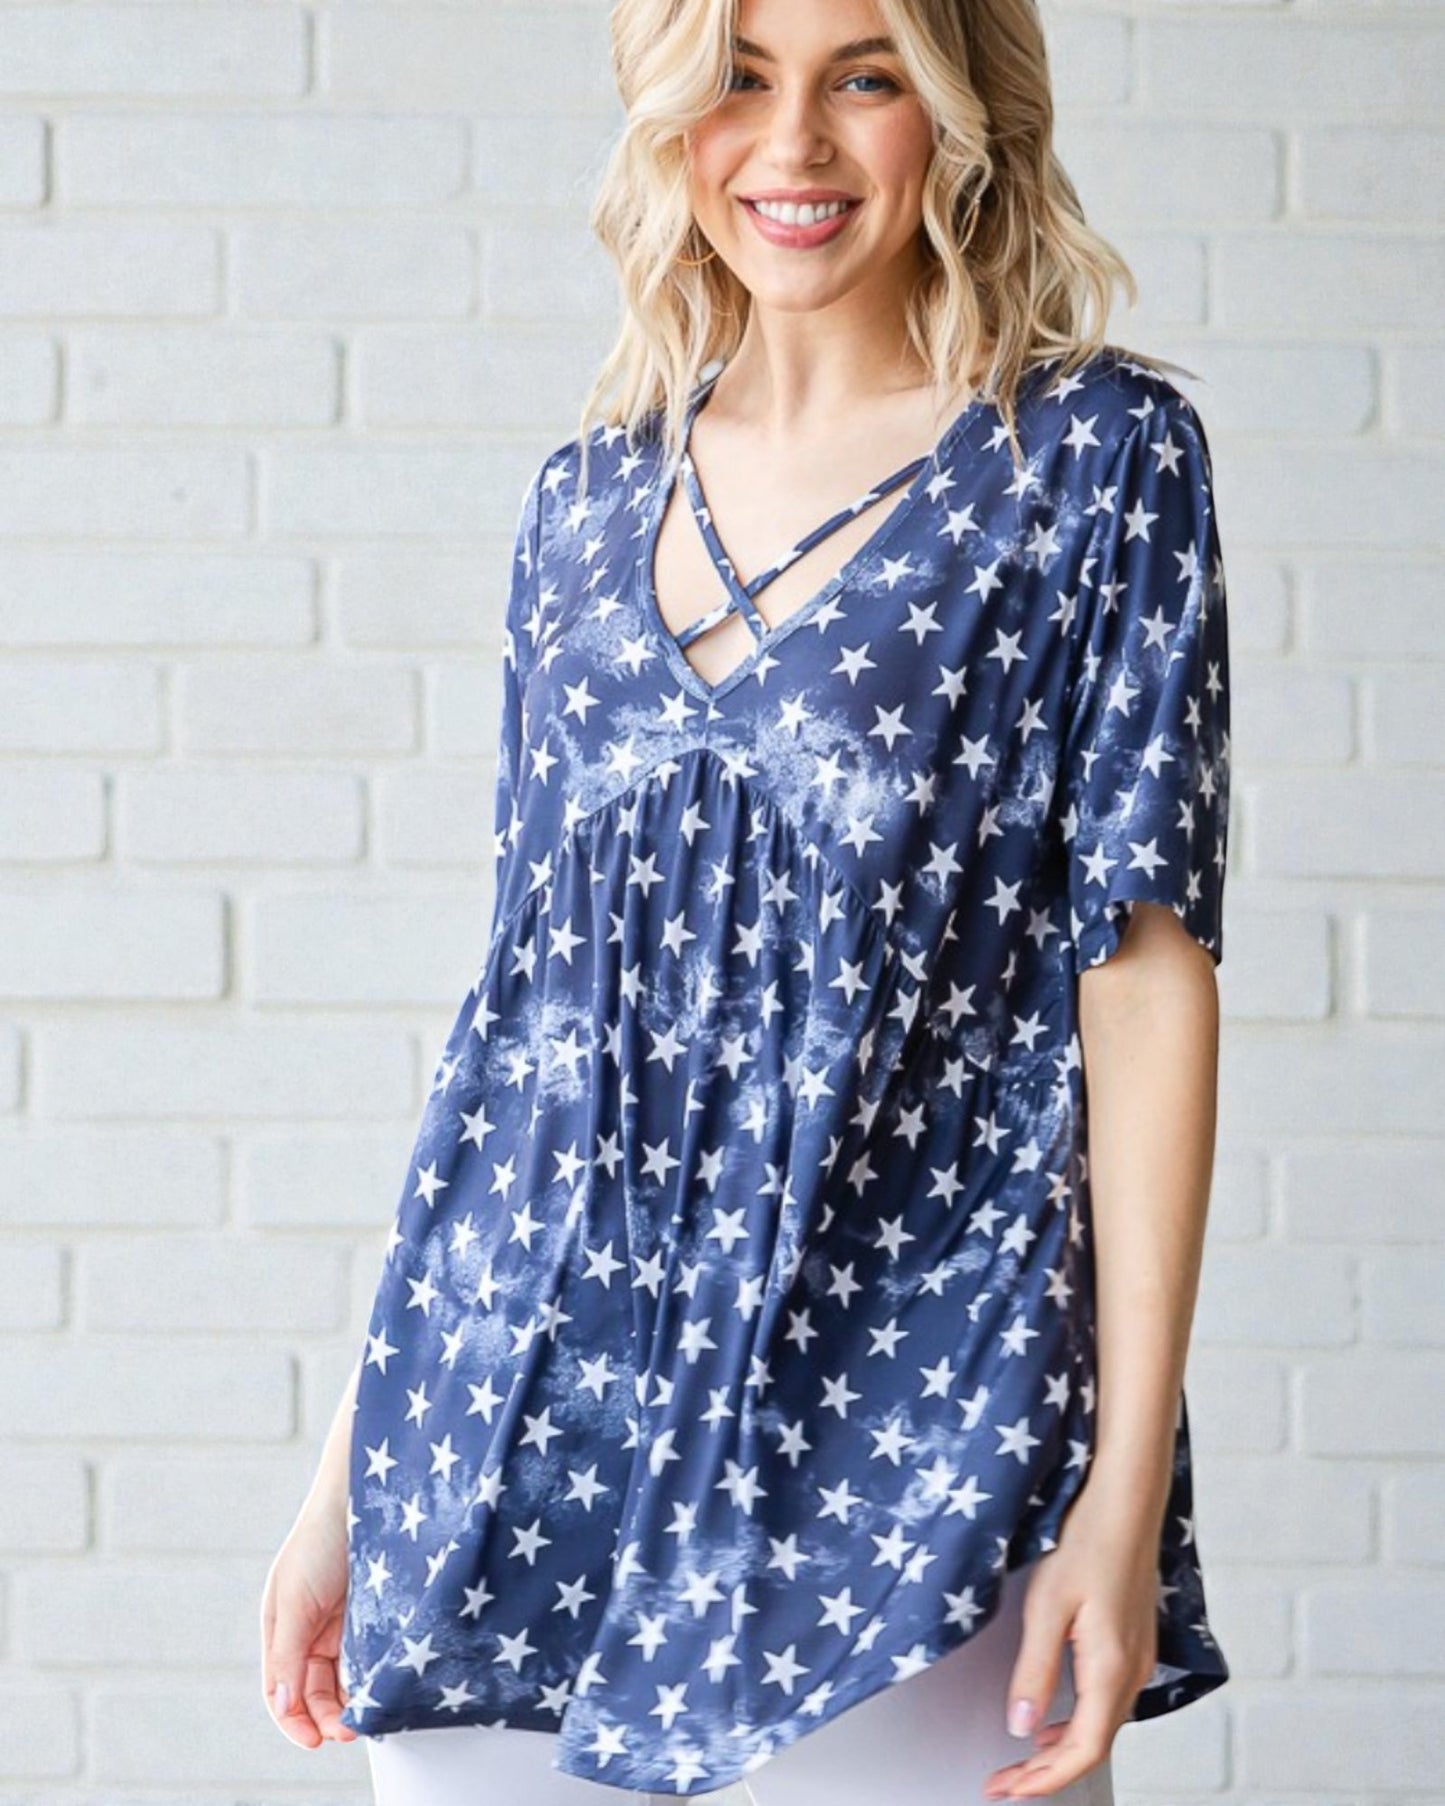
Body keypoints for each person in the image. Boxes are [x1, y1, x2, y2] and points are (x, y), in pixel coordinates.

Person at [259, 0, 1233, 1800]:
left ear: (954, 111)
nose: (790, 144)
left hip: (904, 1449)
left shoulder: (1091, 468)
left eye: (862, 76)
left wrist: (1122, 1486)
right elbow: (520, 1045)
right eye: (736, 79)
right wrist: (346, 1475)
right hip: (512, 1438)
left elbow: (1145, 979)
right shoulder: (578, 504)